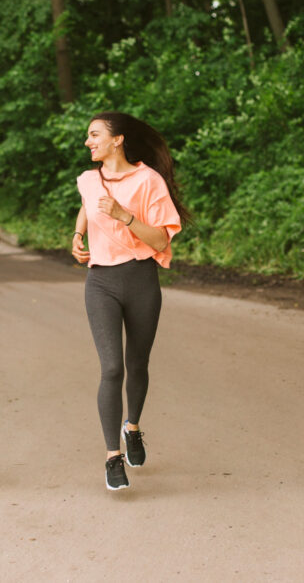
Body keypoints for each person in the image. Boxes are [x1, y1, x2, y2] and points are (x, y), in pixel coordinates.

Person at [71, 112, 190, 491]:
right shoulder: (90, 179)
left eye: (95, 135)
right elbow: (88, 204)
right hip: (101, 282)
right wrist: (77, 234)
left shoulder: (148, 181)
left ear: (117, 140)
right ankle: (112, 457)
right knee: (111, 368)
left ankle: (132, 428)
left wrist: (125, 216)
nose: (88, 141)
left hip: (141, 280)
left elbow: (160, 242)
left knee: (137, 362)